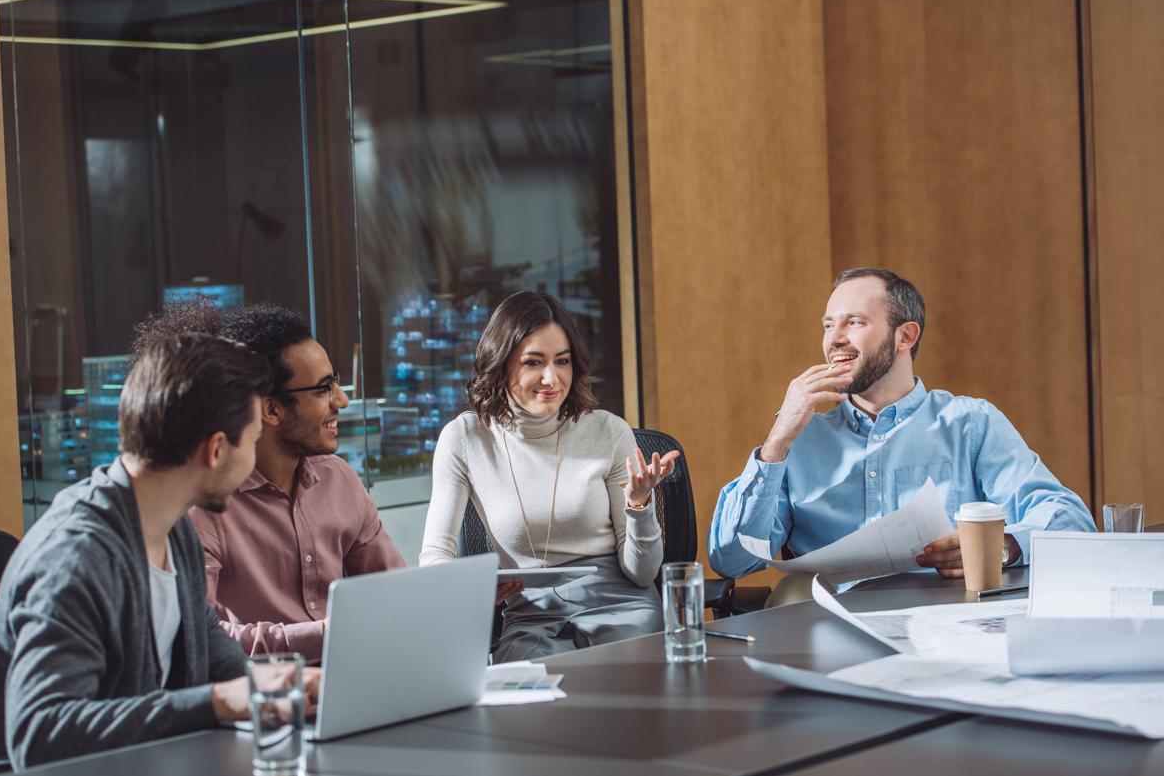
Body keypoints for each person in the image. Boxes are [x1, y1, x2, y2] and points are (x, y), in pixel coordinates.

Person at [0, 334, 319, 771]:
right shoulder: (75, 558)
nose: (252, 460)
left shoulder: (175, 532)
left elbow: (218, 662)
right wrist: (217, 701)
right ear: (215, 450)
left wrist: (289, 685)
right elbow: (40, 734)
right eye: (251, 441)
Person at [709, 267, 1096, 582]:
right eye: (828, 325)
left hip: (951, 629)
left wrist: (1002, 547)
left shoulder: (970, 424)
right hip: (829, 636)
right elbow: (732, 562)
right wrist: (776, 443)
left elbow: (1072, 522)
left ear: (905, 336)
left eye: (854, 322)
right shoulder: (799, 442)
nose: (835, 340)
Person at [131, 302, 405, 662]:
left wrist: (454, 597)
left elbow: (395, 593)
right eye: (324, 389)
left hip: (357, 674)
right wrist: (323, 635)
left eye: (335, 382)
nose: (342, 399)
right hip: (265, 696)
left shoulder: (338, 479)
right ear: (271, 409)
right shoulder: (205, 504)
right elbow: (202, 639)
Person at [420, 291, 677, 662]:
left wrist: (639, 505)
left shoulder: (608, 431)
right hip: (532, 618)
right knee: (521, 708)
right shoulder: (465, 438)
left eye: (562, 361)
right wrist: (467, 591)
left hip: (624, 609)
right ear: (502, 362)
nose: (551, 378)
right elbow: (435, 555)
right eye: (533, 362)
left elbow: (642, 574)